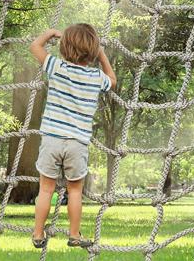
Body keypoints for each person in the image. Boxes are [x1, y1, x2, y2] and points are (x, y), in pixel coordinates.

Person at [29, 23, 117, 248]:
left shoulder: (57, 67)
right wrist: (102, 54)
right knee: (75, 191)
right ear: (92, 50)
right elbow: (112, 81)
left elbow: (35, 47)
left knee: (46, 189)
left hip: (52, 139)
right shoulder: (96, 77)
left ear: (64, 47)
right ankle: (74, 235)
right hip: (77, 144)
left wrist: (50, 33)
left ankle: (38, 234)